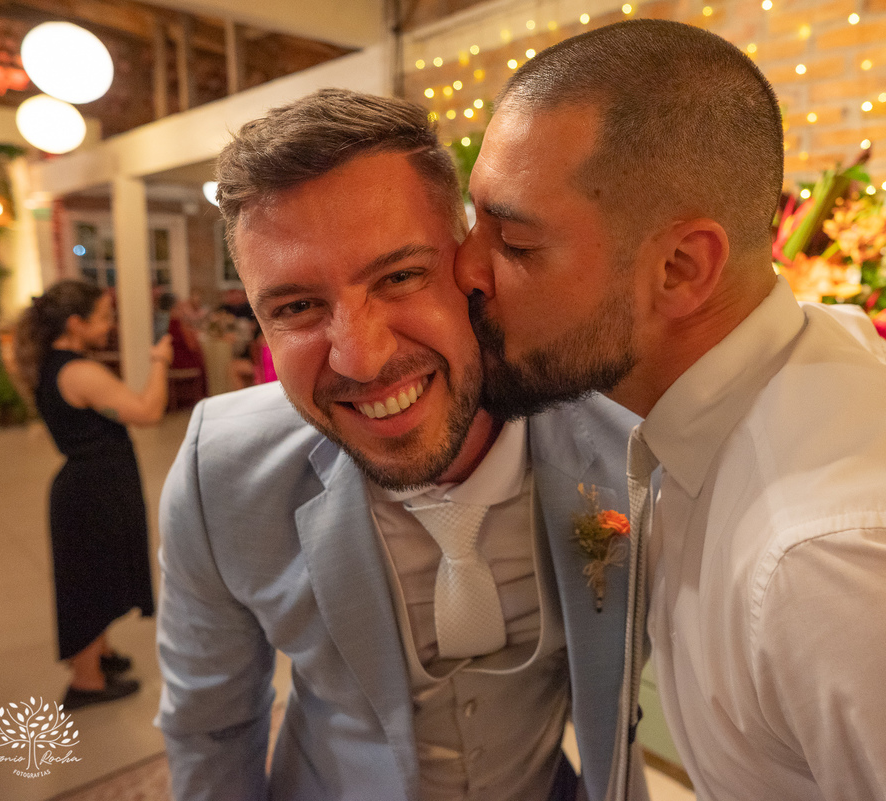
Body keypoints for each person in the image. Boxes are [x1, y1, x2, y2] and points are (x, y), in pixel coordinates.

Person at [455, 19, 886, 801]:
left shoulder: (849, 574)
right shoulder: (781, 360)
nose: (465, 268)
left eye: (515, 243)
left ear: (681, 268)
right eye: (475, 222)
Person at [155, 88, 648, 801]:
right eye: (297, 306)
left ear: (472, 268)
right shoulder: (221, 473)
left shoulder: (621, 441)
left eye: (400, 276)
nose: (361, 359)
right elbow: (211, 728)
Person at [13, 279, 173, 711]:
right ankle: (86, 682)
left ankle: (100, 654)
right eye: (102, 317)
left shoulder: (52, 364)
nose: (109, 325)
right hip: (92, 491)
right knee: (87, 584)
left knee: (98, 573)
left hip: (91, 484)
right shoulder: (79, 372)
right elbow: (148, 412)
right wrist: (159, 361)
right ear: (75, 323)